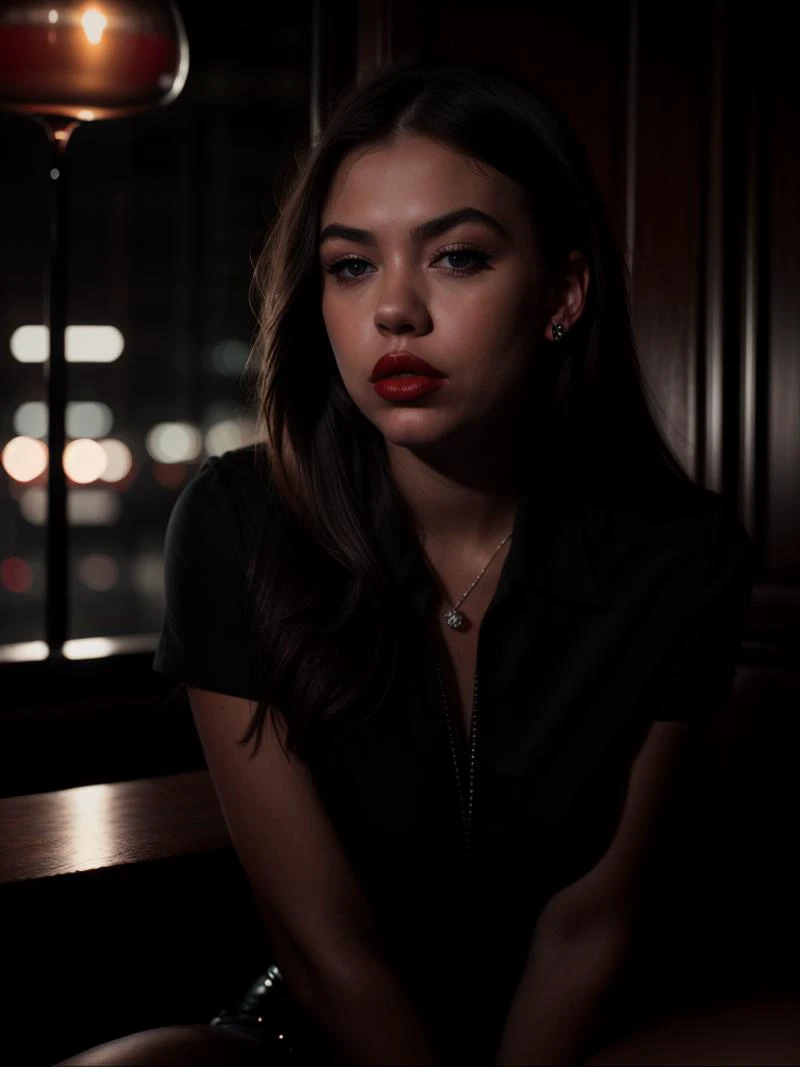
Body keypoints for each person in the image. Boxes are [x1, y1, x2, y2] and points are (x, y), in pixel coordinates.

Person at [52, 56, 800, 1067]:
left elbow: (589, 924)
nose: (394, 310)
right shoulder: (239, 524)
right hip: (321, 1032)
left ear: (562, 293)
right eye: (351, 265)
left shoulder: (676, 553)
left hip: (582, 1035)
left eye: (455, 257)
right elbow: (322, 944)